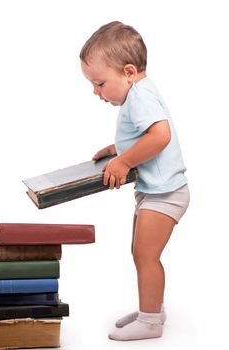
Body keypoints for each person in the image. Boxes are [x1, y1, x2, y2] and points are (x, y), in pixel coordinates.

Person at [80, 21, 190, 341]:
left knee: (145, 255)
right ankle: (151, 308)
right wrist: (118, 149)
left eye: (100, 83)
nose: (95, 91)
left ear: (128, 72)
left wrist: (124, 161)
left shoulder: (139, 97)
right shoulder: (140, 91)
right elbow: (145, 134)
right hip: (157, 191)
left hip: (165, 194)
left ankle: (151, 321)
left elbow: (160, 135)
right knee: (139, 252)